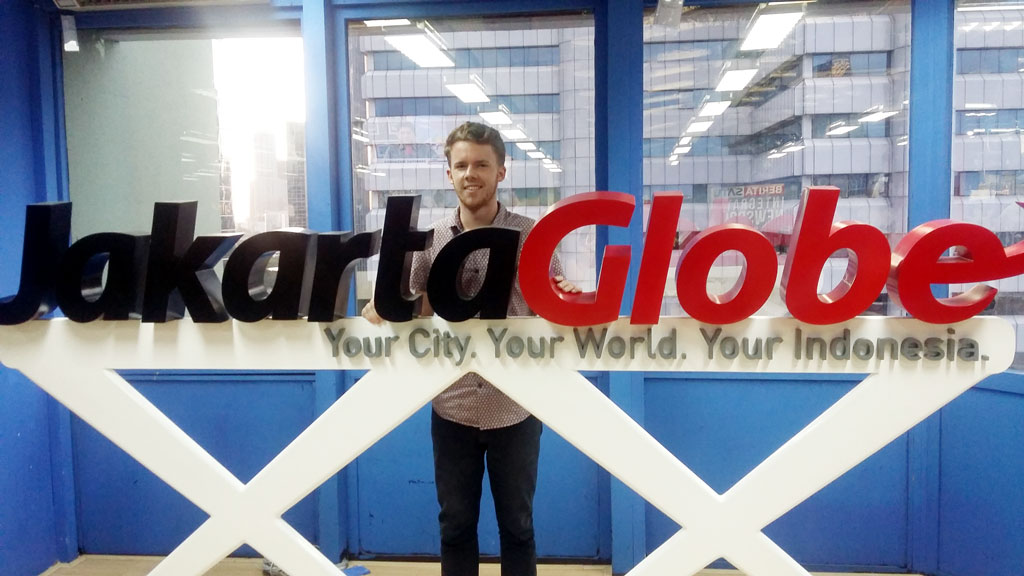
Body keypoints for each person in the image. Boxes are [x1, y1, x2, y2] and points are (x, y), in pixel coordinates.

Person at [362, 121, 578, 576]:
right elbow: (408, 303)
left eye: (482, 164)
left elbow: (558, 306)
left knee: (517, 527)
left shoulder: (531, 236)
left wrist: (569, 296)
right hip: (452, 405)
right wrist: (382, 306)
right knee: (455, 526)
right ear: (449, 174)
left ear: (502, 171)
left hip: (516, 406)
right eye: (461, 165)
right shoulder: (430, 241)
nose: (470, 173)